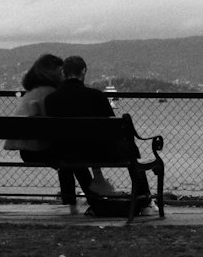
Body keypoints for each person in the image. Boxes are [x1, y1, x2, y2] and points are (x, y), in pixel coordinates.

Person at [43, 55, 152, 210]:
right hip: (99, 153)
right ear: (83, 71)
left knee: (72, 148)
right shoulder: (96, 96)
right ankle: (144, 199)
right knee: (131, 149)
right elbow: (114, 130)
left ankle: (82, 200)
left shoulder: (51, 100)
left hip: (66, 153)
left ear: (64, 73)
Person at [2, 53, 86, 213]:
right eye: (61, 71)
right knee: (72, 158)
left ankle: (72, 201)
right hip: (39, 150)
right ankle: (93, 198)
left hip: (26, 152)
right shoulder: (50, 93)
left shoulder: (31, 92)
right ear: (54, 72)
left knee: (68, 158)